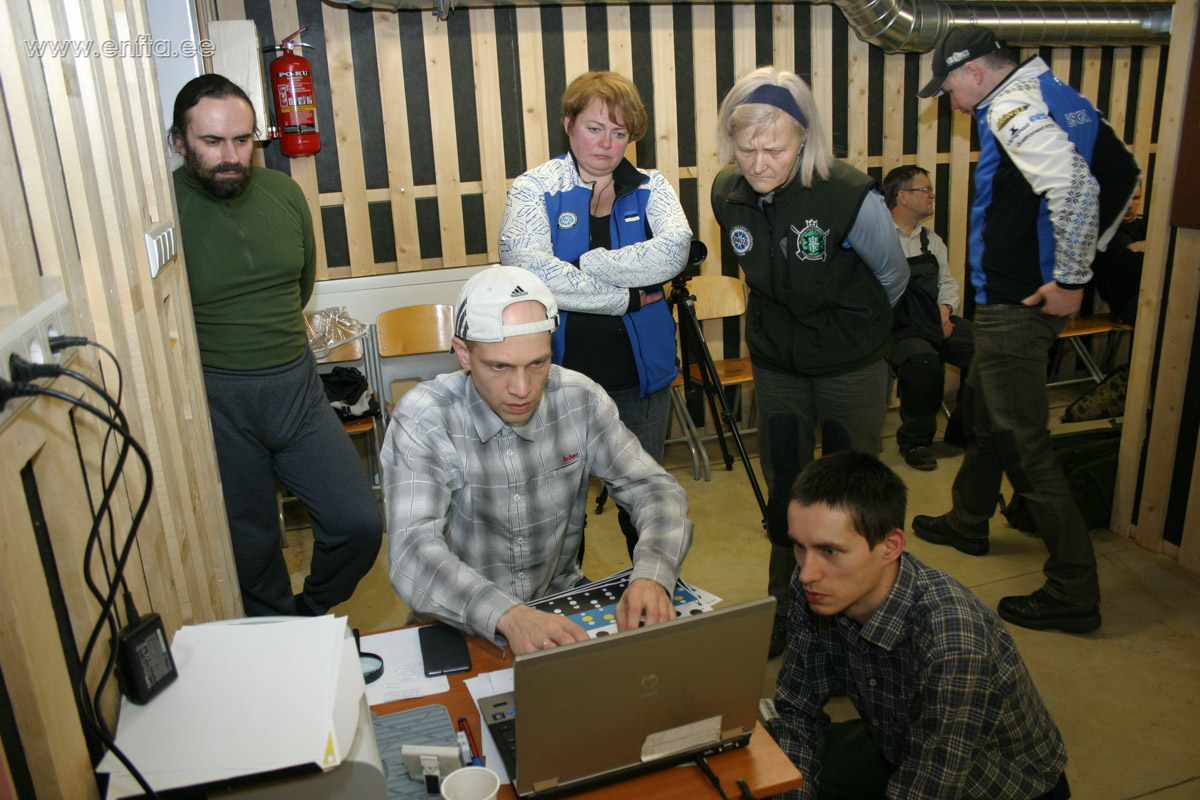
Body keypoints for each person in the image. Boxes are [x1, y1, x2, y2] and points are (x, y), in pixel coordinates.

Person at [911, 25, 1139, 633]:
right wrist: (1088, 260)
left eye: (950, 86)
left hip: (1019, 303)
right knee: (988, 410)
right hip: (1015, 300)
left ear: (976, 72)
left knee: (1023, 442)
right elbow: (1123, 172)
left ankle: (1072, 587)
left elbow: (1075, 188)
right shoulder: (1063, 96)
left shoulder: (1012, 106)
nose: (950, 100)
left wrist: (1071, 276)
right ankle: (968, 518)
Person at [381, 266, 693, 655]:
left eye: (537, 364)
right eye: (499, 366)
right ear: (463, 353)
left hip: (558, 600)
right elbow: (413, 550)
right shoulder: (425, 417)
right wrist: (508, 615)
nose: (522, 389)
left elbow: (654, 489)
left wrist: (653, 574)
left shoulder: (580, 398)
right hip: (457, 616)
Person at [710, 66, 909, 655]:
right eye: (746, 149)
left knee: (851, 499)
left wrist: (851, 334)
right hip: (778, 367)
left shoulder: (849, 194)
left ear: (805, 141)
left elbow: (893, 277)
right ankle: (787, 610)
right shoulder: (728, 192)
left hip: (851, 366)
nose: (759, 163)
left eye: (774, 148)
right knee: (786, 490)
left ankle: (862, 618)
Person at [170, 74, 382, 617]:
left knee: (357, 521)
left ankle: (306, 614)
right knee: (251, 547)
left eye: (243, 141)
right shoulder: (166, 213)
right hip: (219, 398)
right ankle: (274, 630)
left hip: (296, 389)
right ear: (179, 142)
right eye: (212, 142)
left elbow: (302, 282)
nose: (231, 157)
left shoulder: (283, 193)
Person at [772, 451, 1070, 800]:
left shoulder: (955, 644)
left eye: (830, 552)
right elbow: (796, 710)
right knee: (760, 765)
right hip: (896, 739)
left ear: (891, 546)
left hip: (994, 786)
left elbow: (927, 790)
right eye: (799, 547)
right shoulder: (815, 588)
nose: (807, 573)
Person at [498, 71, 690, 560]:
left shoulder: (653, 186)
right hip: (555, 382)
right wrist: (623, 297)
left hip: (639, 377)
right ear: (568, 123)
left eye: (620, 132)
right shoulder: (533, 187)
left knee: (644, 500)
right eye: (595, 128)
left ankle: (654, 589)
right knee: (560, 512)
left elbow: (672, 254)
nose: (607, 144)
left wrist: (586, 263)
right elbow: (528, 267)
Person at [882, 165, 974, 471]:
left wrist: (945, 310)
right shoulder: (878, 237)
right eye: (925, 189)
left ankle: (963, 431)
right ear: (903, 197)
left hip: (934, 319)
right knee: (923, 363)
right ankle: (916, 442)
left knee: (989, 350)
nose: (932, 195)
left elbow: (947, 282)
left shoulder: (930, 240)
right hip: (898, 327)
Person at [1091, 182, 1146, 324]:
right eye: (1125, 198)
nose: (1130, 205)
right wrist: (1151, 248)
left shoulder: (1147, 224)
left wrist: (1141, 248)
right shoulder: (1104, 229)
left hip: (1150, 296)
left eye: (1135, 198)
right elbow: (1131, 266)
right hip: (1127, 302)